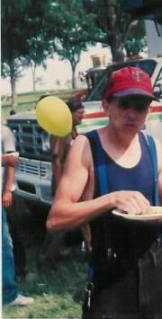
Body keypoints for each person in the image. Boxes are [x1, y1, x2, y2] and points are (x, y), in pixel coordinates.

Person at [46, 66, 162, 319]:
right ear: (106, 105)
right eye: (124, 104)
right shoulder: (86, 147)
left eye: (140, 106)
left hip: (158, 266)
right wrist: (110, 199)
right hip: (112, 271)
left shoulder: (154, 147)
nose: (132, 113)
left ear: (148, 111)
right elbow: (56, 218)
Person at [38, 99, 85, 268]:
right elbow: (56, 161)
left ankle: (70, 250)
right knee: (60, 223)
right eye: (80, 112)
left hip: (72, 182)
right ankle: (46, 259)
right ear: (70, 114)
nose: (83, 115)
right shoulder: (61, 132)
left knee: (72, 220)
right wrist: (60, 188)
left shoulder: (72, 130)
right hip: (62, 184)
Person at [2, 124, 34, 307]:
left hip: (2, 195)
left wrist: (7, 190)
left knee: (7, 243)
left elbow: (12, 162)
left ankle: (9, 292)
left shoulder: (4, 132)